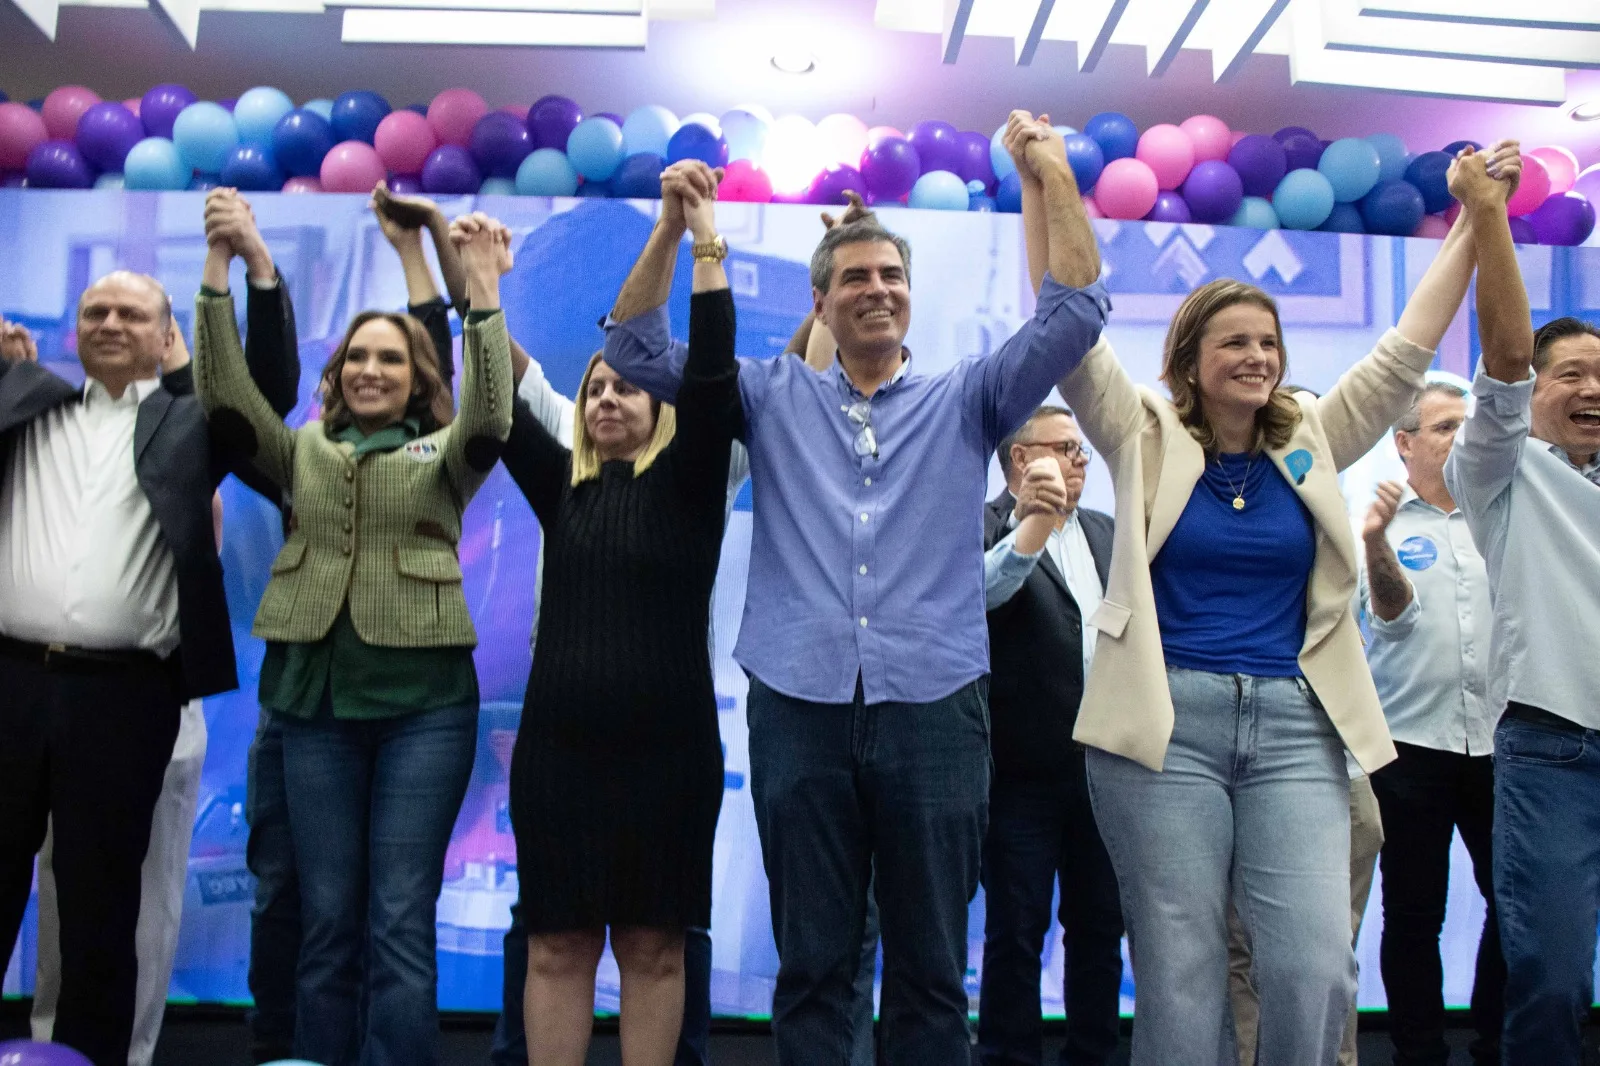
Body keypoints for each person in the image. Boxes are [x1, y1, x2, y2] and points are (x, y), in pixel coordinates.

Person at [604, 111, 1107, 1066]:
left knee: (928, 969)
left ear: (909, 298)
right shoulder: (764, 392)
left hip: (937, 704)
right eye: (855, 279)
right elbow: (632, 350)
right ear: (821, 302)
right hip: (799, 701)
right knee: (815, 966)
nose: (876, 291)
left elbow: (1075, 314)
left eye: (892, 278)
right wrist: (671, 226)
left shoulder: (970, 397)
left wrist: (1052, 170)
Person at [1026, 130, 1518, 1061]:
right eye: (1234, 342)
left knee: (1314, 966)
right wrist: (1049, 181)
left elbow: (1407, 349)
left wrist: (1472, 215)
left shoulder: (1311, 441)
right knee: (1181, 969)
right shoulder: (1141, 431)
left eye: (1269, 343)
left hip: (1296, 724)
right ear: (1188, 356)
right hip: (1166, 727)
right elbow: (1068, 330)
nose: (1257, 357)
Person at [193, 208, 514, 1066]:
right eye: (358, 357)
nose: (374, 370)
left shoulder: (449, 452)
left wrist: (483, 294)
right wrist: (217, 272)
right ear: (335, 376)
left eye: (393, 358)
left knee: (399, 918)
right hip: (317, 711)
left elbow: (491, 411)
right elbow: (224, 398)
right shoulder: (299, 451)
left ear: (417, 379)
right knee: (329, 920)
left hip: (426, 712)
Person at [494, 178, 740, 1066]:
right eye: (594, 388)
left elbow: (712, 368)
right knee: (557, 946)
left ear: (659, 409)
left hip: (671, 756)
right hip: (560, 756)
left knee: (654, 948)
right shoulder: (556, 480)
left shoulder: (693, 482)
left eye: (625, 388)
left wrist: (696, 234)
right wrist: (476, 287)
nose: (606, 398)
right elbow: (496, 389)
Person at [0, 268, 242, 1066]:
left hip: (123, 696)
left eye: (130, 313)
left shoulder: (188, 424)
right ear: (72, 330)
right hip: (10, 684)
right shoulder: (26, 407)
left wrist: (238, 272)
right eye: (94, 311)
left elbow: (254, 396)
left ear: (164, 332)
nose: (109, 323)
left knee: (103, 914)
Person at [1441, 153, 1600, 1064]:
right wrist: (1490, 215)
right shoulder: (1500, 473)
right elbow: (1502, 358)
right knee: (1547, 974)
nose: (1590, 390)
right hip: (1553, 750)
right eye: (1569, 374)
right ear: (1533, 397)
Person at [1361, 384, 1505, 1066]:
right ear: (1405, 442)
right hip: (1408, 749)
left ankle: (1495, 1039)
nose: (1462, 437)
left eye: (1470, 427)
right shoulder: (1379, 527)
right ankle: (1418, 1052)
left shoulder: (1506, 515)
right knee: (1414, 916)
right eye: (1446, 425)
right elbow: (1393, 621)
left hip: (1507, 744)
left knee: (1514, 903)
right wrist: (1374, 547)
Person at [977, 405, 1121, 1066]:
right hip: (1020, 773)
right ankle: (1008, 1058)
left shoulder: (1107, 533)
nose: (1079, 462)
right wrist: (1027, 526)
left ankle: (1094, 1055)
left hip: (1105, 772)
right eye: (1063, 449)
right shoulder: (977, 528)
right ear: (1018, 460)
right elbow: (983, 599)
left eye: (1083, 451)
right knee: (1017, 931)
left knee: (1098, 929)